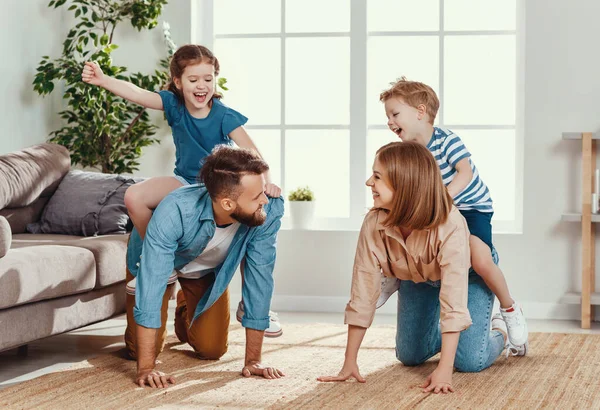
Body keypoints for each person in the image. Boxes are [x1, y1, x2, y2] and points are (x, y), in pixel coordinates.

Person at [81, 44, 282, 336]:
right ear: (178, 82)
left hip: (214, 191)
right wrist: (103, 80)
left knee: (252, 232)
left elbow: (255, 155)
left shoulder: (224, 115)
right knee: (134, 196)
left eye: (208, 79)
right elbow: (138, 93)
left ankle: (252, 306)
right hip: (185, 183)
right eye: (193, 80)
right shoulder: (174, 106)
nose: (202, 85)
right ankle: (161, 261)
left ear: (215, 80)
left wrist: (266, 184)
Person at [318, 142, 526, 393]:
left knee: (470, 361)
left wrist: (444, 370)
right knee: (409, 355)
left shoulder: (450, 224)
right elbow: (363, 291)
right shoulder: (373, 222)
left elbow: (453, 301)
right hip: (417, 276)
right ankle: (457, 339)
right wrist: (349, 362)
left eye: (377, 176)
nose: (368, 182)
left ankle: (498, 329)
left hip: (468, 275)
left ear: (404, 184)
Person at [376, 77, 527, 348]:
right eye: (388, 116)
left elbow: (464, 173)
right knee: (399, 232)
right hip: (435, 211)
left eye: (395, 114)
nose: (389, 121)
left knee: (479, 259)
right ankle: (394, 276)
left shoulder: (446, 140)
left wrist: (441, 199)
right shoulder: (407, 153)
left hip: (470, 208)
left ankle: (509, 309)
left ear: (420, 112)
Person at [124, 146, 285, 388]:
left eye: (263, 190)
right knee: (139, 351)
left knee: (212, 349)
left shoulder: (267, 210)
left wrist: (254, 360)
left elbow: (259, 276)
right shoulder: (175, 210)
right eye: (256, 196)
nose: (265, 199)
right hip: (155, 261)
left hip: (204, 269)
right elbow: (151, 284)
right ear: (228, 203)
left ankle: (184, 306)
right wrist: (146, 367)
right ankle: (164, 318)